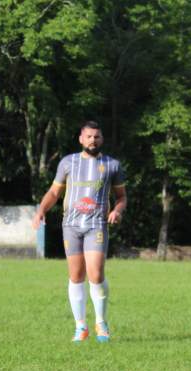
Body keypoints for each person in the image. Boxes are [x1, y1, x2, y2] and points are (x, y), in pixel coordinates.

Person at [32, 121, 127, 342]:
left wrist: (117, 210)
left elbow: (122, 197)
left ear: (101, 140)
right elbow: (54, 192)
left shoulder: (112, 165)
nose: (93, 140)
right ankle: (80, 326)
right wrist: (41, 211)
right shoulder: (68, 162)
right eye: (89, 136)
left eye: (97, 137)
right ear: (81, 139)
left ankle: (101, 323)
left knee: (95, 274)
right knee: (76, 276)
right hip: (71, 226)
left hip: (96, 225)